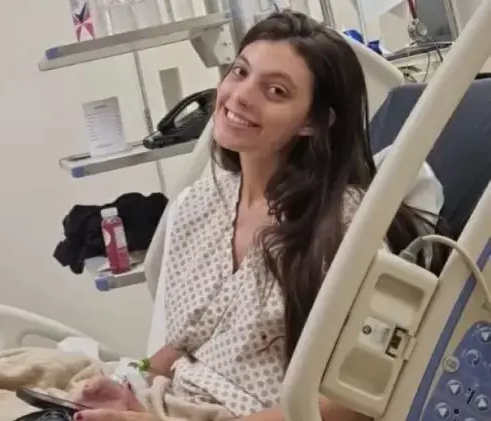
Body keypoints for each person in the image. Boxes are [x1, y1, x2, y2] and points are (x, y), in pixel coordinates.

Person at [72, 10, 444, 421]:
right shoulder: (200, 204)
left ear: (313, 121)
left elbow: (356, 404)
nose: (241, 96)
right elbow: (184, 343)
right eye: (240, 72)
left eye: (276, 91)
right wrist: (127, 385)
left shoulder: (345, 228)